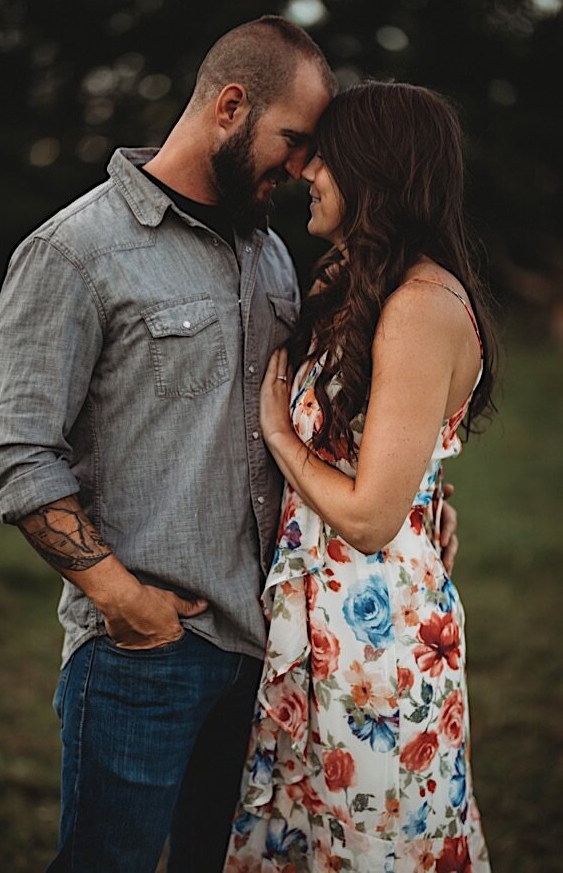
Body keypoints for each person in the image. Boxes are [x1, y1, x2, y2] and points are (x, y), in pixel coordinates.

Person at [0, 16, 350, 872]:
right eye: (292, 140)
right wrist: (123, 601)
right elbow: (14, 451)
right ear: (230, 106)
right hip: (143, 658)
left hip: (263, 653)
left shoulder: (270, 256)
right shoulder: (74, 251)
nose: (299, 167)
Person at [224, 82, 494, 871]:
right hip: (322, 619)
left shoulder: (420, 305)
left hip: (377, 638)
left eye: (324, 156)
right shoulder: (353, 283)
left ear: (371, 167)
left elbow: (373, 517)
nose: (307, 171)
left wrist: (277, 432)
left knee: (374, 849)